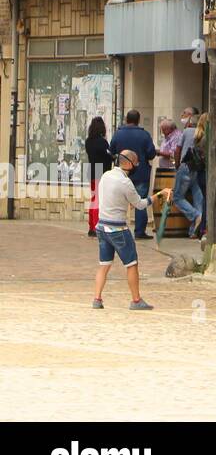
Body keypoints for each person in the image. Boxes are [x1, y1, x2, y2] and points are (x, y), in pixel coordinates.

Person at [92, 148, 172, 310]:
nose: (137, 166)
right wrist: (160, 194)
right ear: (128, 164)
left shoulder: (106, 176)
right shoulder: (125, 182)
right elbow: (140, 204)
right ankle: (136, 300)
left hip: (102, 226)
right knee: (131, 264)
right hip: (118, 228)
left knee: (104, 264)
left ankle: (97, 299)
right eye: (135, 163)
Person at [109, 110, 157, 239]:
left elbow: (111, 151)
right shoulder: (144, 135)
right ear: (138, 120)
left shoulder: (118, 134)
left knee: (119, 200)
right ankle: (139, 231)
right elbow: (151, 153)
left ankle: (117, 228)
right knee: (140, 202)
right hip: (141, 173)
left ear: (126, 119)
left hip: (123, 173)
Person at [171, 114, 206, 239]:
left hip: (186, 167)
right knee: (199, 199)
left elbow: (178, 150)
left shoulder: (187, 131)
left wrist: (177, 166)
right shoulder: (205, 134)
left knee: (177, 197)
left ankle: (196, 215)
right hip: (199, 169)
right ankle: (195, 231)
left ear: (190, 122)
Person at [84, 116, 113, 237]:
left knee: (94, 200)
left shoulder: (88, 141)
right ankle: (96, 226)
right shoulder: (102, 142)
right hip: (101, 172)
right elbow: (108, 155)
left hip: (92, 171)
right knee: (99, 201)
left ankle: (91, 225)